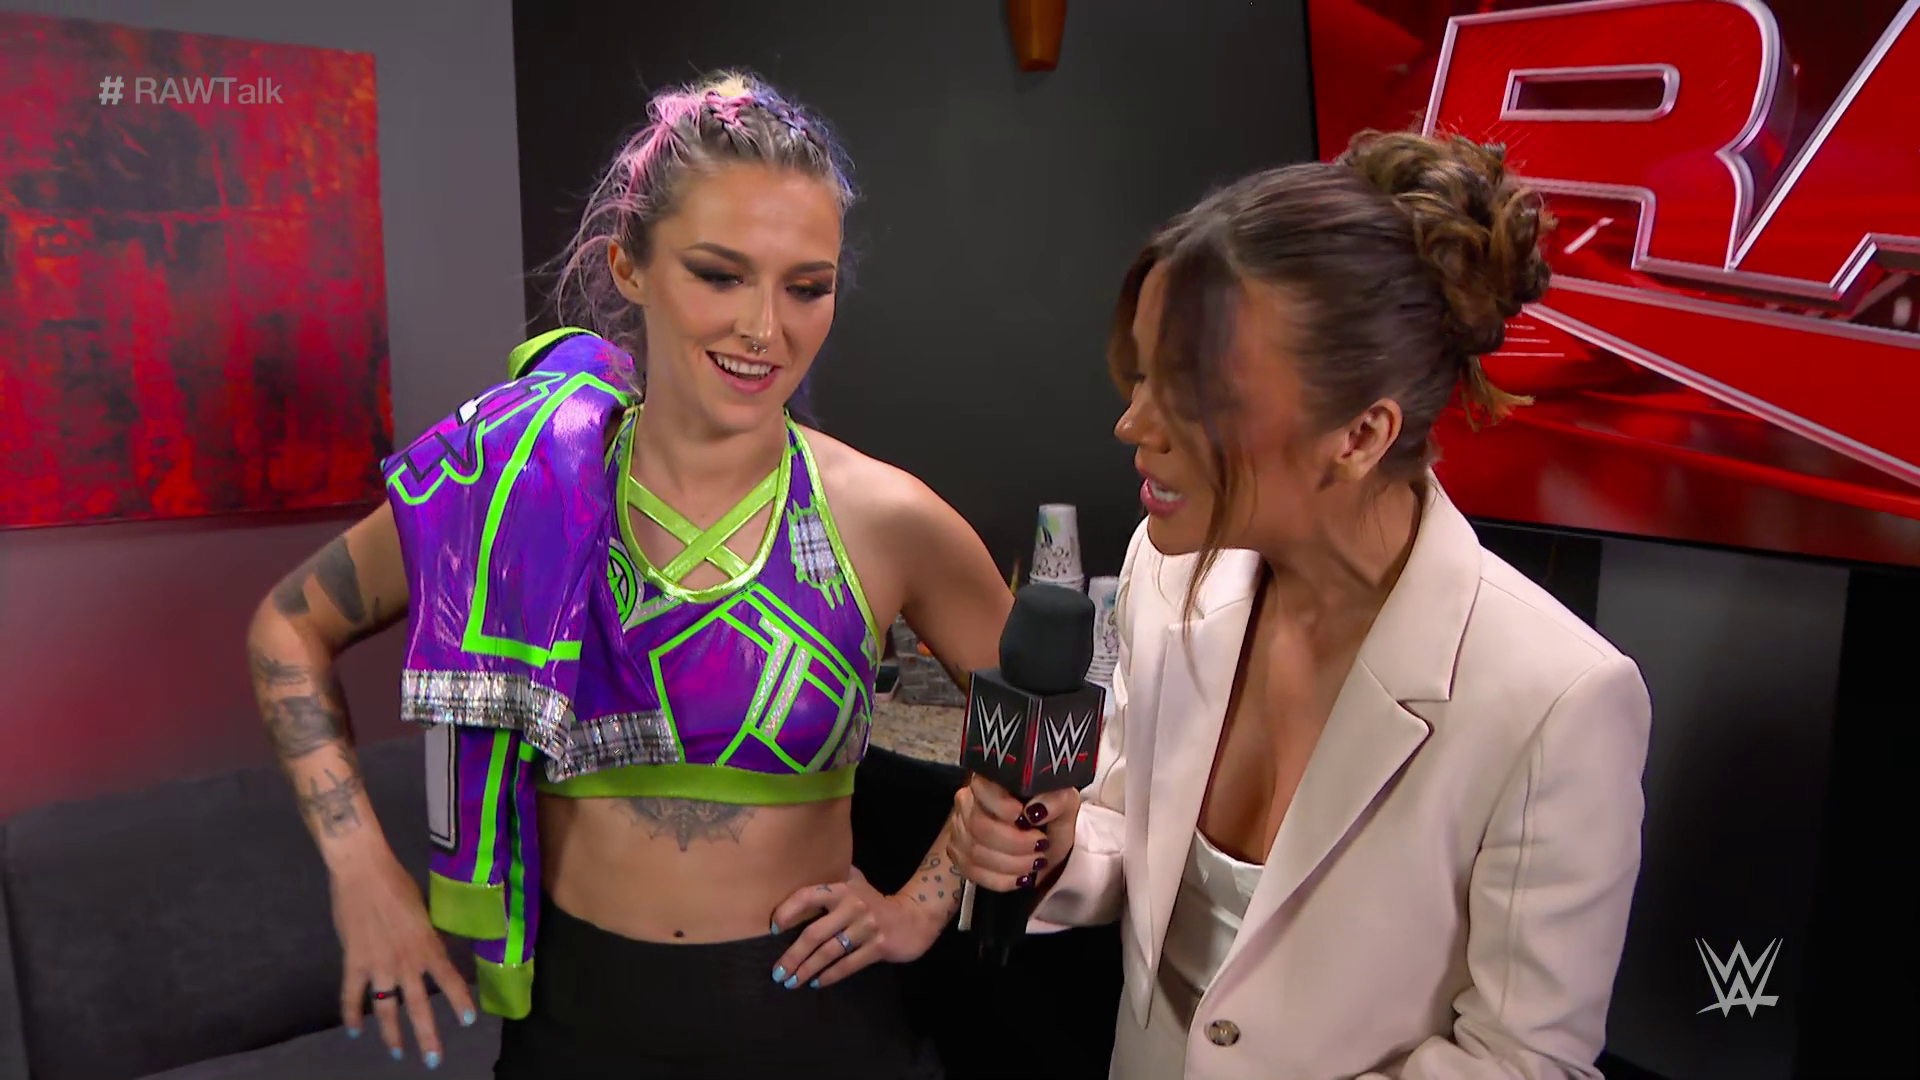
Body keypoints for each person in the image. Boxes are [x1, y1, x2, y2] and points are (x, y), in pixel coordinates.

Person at [245, 71, 1005, 1079]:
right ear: (630, 267)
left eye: (806, 287)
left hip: (815, 1029)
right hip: (575, 1033)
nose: (765, 329)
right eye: (720, 275)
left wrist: (926, 899)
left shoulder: (886, 518)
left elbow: (1052, 716)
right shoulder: (508, 486)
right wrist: (360, 869)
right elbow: (288, 627)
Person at [948, 131, 1653, 1079]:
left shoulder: (1558, 701)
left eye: (1194, 394)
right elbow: (1130, 828)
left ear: (1360, 435)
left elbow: (1524, 1064)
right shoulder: (1166, 576)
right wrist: (1058, 847)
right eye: (1145, 374)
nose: (1133, 424)